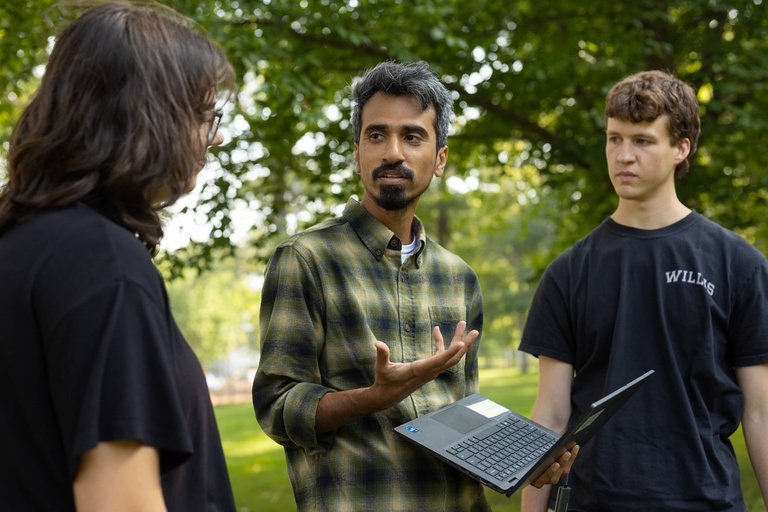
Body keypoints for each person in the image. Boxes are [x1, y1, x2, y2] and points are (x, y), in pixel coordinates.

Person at [252, 60, 576, 512]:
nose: (393, 153)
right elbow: (276, 406)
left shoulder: (458, 276)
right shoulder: (306, 260)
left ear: (440, 158)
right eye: (377, 135)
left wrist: (522, 458)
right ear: (357, 152)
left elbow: (462, 411)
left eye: (412, 136)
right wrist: (373, 397)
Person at [0, 3, 238, 511]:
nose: (216, 136)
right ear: (150, 114)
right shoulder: (102, 266)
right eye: (206, 114)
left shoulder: (21, 245)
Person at [519, 70, 768, 512]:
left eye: (642, 140)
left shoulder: (740, 265)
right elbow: (550, 418)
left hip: (708, 502)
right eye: (614, 139)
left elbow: (761, 415)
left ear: (681, 148)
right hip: (595, 502)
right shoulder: (568, 273)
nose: (623, 156)